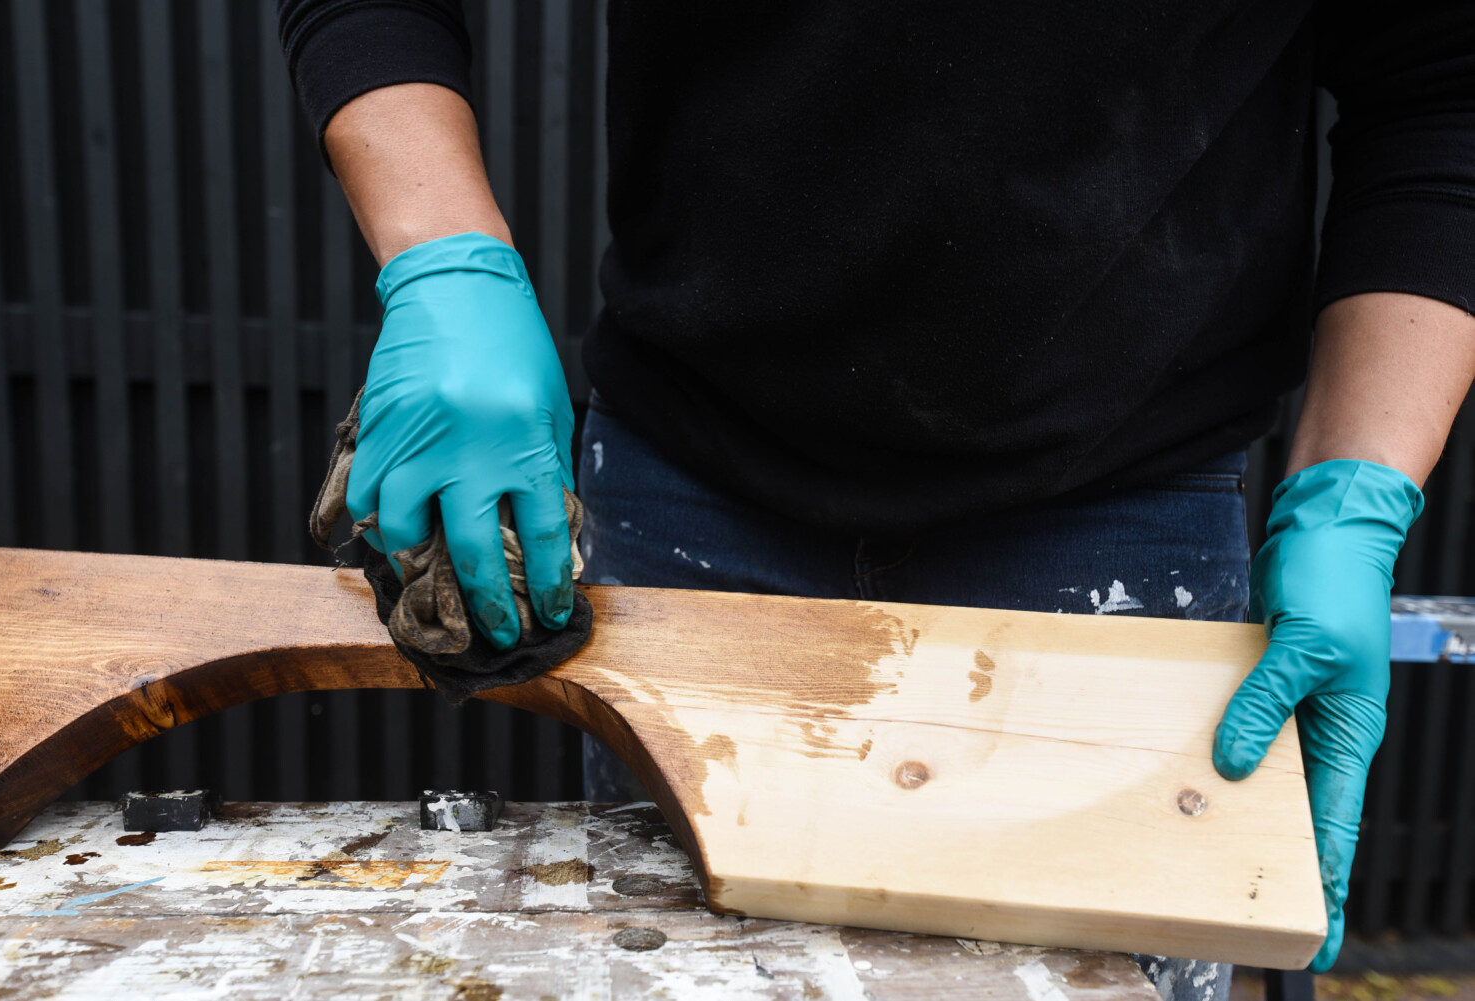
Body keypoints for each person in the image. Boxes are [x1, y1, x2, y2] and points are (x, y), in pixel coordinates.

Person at [279, 1, 1475, 995]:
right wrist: (444, 260)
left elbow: (1443, 90)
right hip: (693, 483)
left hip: (1120, 521)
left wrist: (1354, 491)